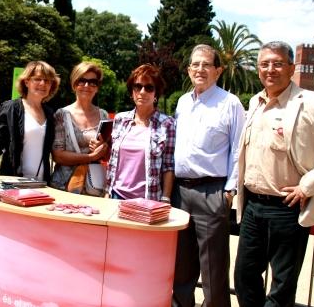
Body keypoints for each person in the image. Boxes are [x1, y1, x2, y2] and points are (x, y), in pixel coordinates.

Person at [234, 41, 314, 307]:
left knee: (282, 287)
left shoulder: (312, 103)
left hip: (287, 209)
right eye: (264, 64)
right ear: (258, 69)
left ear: (291, 68)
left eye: (277, 63)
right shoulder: (255, 102)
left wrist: (308, 185)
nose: (270, 69)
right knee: (244, 279)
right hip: (253, 206)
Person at [171, 44, 246, 307]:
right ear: (189, 69)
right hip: (180, 192)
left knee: (213, 269)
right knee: (181, 266)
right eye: (195, 64)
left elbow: (238, 149)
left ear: (218, 70)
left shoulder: (230, 103)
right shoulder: (182, 102)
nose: (200, 69)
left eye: (206, 64)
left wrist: (229, 190)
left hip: (211, 191)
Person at [104, 64, 175, 201]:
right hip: (116, 195)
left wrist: (166, 198)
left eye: (149, 87)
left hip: (148, 199)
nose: (142, 92)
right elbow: (112, 161)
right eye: (137, 86)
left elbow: (168, 165)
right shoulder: (120, 120)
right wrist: (107, 192)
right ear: (132, 92)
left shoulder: (167, 124)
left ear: (156, 94)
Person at [50, 62, 109, 194]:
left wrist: (103, 147)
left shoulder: (103, 115)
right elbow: (58, 156)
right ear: (74, 84)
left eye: (93, 82)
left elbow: (108, 153)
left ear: (97, 87)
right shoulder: (61, 115)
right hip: (64, 186)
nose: (87, 86)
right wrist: (91, 157)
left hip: (93, 187)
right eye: (82, 81)